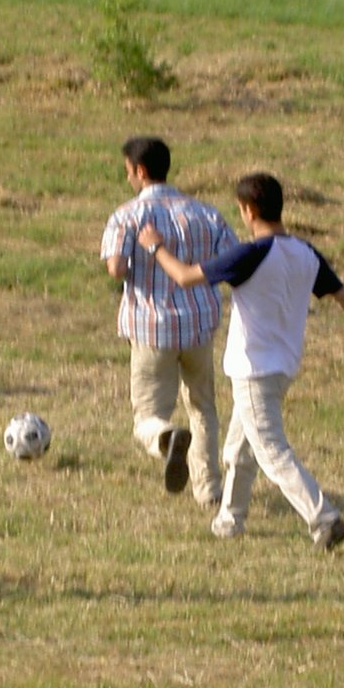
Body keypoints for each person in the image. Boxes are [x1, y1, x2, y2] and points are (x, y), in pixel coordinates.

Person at [137, 172, 344, 550]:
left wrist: (156, 247)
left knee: (270, 450)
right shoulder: (306, 253)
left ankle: (324, 518)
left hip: (253, 369)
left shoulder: (251, 253)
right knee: (237, 450)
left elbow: (187, 277)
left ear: (248, 210)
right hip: (284, 367)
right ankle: (229, 520)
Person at [100, 136, 238, 504]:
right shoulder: (206, 213)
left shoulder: (126, 216)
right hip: (199, 325)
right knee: (203, 407)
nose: (128, 178)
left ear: (141, 172)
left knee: (148, 414)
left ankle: (165, 439)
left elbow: (115, 268)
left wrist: (134, 263)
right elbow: (229, 262)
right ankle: (208, 490)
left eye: (128, 172)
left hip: (151, 326)